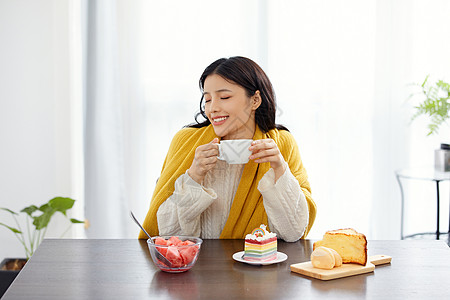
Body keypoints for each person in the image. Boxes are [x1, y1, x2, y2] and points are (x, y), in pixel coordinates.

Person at [139, 56, 316, 242]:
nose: (212, 108)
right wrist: (194, 175)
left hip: (259, 267)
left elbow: (294, 233)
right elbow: (167, 237)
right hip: (198, 267)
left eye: (224, 97)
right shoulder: (185, 141)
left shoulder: (281, 144)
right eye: (207, 99)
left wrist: (279, 169)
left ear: (255, 100)